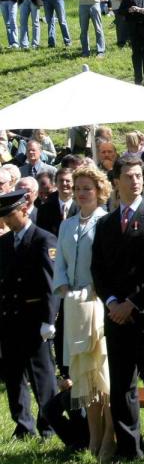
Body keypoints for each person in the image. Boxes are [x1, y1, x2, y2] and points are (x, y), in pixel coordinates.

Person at [91, 156, 144, 460]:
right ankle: (129, 448)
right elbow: (97, 269)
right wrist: (111, 302)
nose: (135, 181)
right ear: (116, 182)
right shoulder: (106, 223)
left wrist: (131, 303)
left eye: (139, 175)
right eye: (129, 176)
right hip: (115, 317)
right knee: (122, 385)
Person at [54, 166, 114, 459]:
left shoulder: (106, 221)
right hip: (74, 305)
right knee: (82, 375)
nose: (80, 192)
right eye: (77, 187)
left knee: (101, 372)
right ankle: (93, 437)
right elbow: (59, 265)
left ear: (99, 190)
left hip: (99, 303)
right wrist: (64, 288)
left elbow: (108, 262)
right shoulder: (67, 224)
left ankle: (108, 437)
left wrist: (94, 288)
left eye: (87, 187)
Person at [0, 189, 58, 440]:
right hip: (9, 317)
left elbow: (50, 285)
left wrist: (49, 319)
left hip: (34, 318)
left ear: (25, 209)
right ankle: (23, 425)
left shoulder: (43, 240)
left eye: (10, 214)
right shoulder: (3, 243)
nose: (6, 220)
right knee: (14, 376)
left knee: (42, 375)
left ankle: (49, 424)